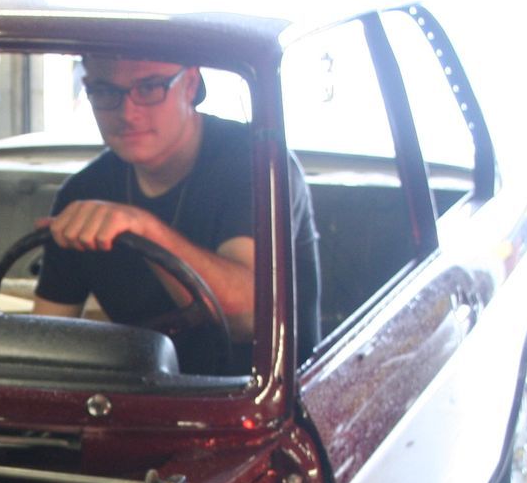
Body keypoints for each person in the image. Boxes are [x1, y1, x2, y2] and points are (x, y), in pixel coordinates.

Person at [31, 56, 319, 367]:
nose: (128, 113)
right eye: (105, 92)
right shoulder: (83, 192)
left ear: (190, 84)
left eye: (150, 87)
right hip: (143, 400)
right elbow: (45, 344)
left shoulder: (259, 166)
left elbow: (249, 319)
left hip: (264, 401)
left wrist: (144, 228)